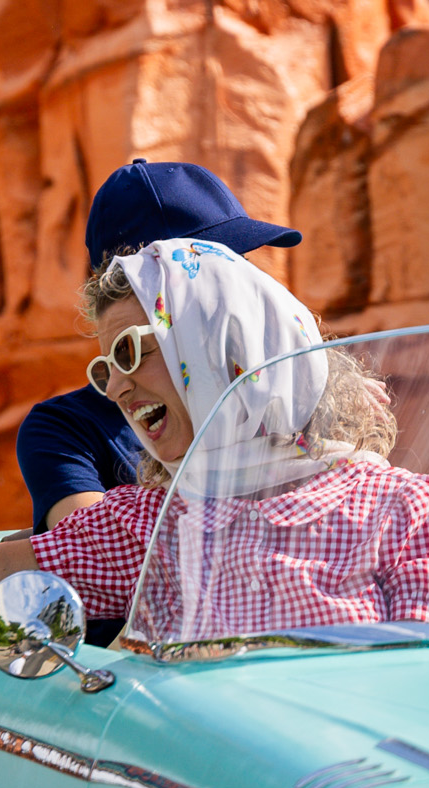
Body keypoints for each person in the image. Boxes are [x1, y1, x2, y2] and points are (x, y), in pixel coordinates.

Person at [0, 237, 429, 636]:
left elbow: (420, 702)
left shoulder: (404, 508)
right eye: (104, 370)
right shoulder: (152, 524)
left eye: (132, 351)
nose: (116, 387)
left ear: (227, 343)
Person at [17, 159, 300, 531]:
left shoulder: (293, 392)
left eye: (239, 263)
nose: (239, 286)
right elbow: (96, 550)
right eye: (214, 268)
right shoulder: (67, 428)